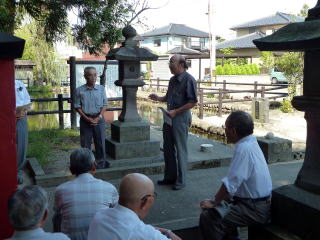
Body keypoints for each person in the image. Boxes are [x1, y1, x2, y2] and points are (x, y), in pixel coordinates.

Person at [199, 111, 272, 240]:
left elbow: (230, 183)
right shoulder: (251, 143)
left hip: (254, 208)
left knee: (209, 217)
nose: (225, 131)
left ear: (233, 131)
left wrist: (215, 202)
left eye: (225, 128)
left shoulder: (243, 148)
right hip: (254, 203)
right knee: (224, 208)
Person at [148, 54, 197, 190]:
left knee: (181, 149)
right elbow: (168, 97)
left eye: (172, 62)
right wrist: (158, 98)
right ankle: (169, 177)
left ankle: (181, 181)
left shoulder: (189, 80)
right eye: (169, 62)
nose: (170, 64)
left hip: (180, 118)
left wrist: (176, 111)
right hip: (169, 117)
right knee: (168, 149)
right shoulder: (172, 80)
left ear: (181, 64)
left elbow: (192, 102)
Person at [87, 173, 182, 240]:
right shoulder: (147, 235)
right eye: (154, 196)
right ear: (146, 201)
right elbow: (139, 229)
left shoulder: (99, 216)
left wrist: (166, 231)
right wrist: (168, 233)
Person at [53, 148, 118, 240]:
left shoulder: (61, 190)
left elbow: (57, 211)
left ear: (71, 170)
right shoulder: (109, 188)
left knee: (57, 216)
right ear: (94, 166)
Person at [75, 66, 109, 169]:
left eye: (95, 75)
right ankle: (87, 166)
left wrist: (99, 117)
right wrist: (86, 118)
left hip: (99, 119)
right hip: (85, 120)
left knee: (100, 143)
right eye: (90, 75)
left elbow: (105, 104)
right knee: (85, 144)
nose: (93, 77)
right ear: (85, 76)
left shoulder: (101, 89)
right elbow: (77, 106)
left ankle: (101, 164)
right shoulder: (79, 90)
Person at [15, 80, 31, 184]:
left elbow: (27, 101)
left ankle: (18, 170)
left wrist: (23, 111)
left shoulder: (19, 83)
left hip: (21, 117)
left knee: (21, 142)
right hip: (4, 116)